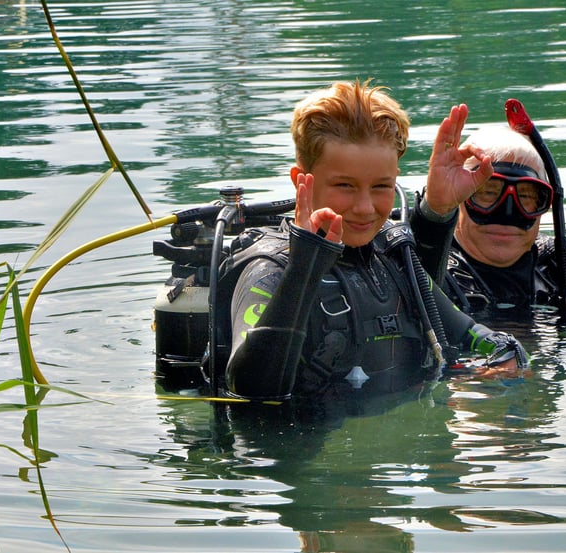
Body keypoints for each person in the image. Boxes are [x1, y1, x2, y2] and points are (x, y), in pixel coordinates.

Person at [220, 81, 528, 403]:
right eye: (345, 185)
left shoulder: (392, 260)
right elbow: (252, 390)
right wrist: (305, 264)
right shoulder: (269, 271)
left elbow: (479, 337)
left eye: (381, 186)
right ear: (301, 181)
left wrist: (506, 361)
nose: (365, 207)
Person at [411, 124, 566, 315]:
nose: (507, 213)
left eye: (525, 196)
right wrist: (436, 211)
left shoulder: (557, 273)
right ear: (458, 197)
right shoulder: (419, 270)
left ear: (544, 205)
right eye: (488, 192)